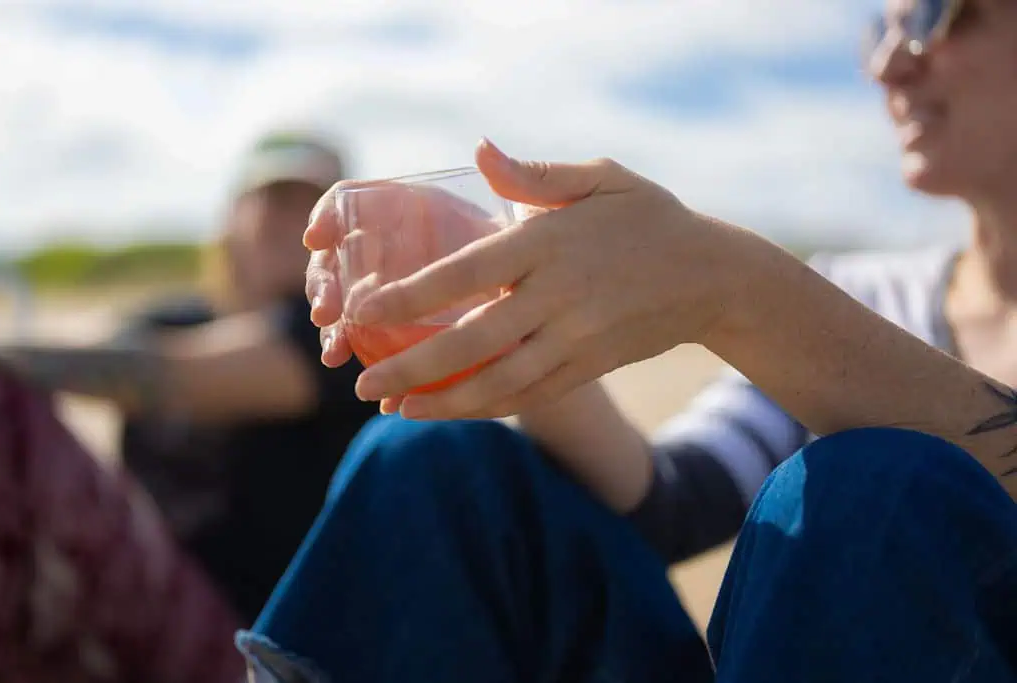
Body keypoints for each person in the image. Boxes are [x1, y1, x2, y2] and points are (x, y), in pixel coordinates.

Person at [237, 1, 1017, 681]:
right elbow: (672, 502)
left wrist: (735, 288)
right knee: (432, 463)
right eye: (876, 29)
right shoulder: (868, 291)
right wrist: (508, 300)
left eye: (937, 12)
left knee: (871, 488)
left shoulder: (810, 302)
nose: (888, 61)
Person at [0, 129, 380, 681]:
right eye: (268, 198)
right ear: (232, 218)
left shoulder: (343, 336)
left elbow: (174, 374)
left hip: (260, 644)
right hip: (126, 607)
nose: (285, 219)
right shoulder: (168, 321)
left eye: (309, 204)